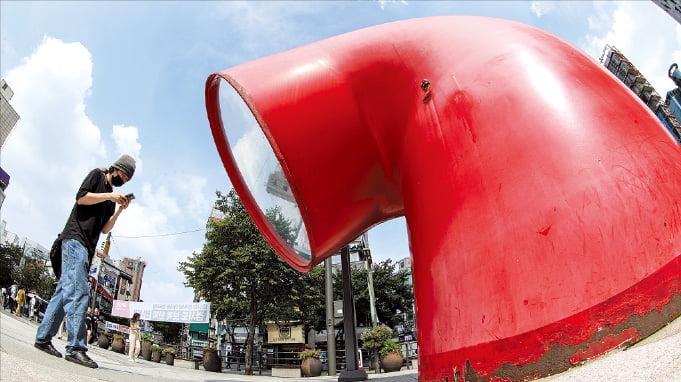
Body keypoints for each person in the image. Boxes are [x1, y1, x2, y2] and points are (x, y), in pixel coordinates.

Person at [34, 155, 136, 369]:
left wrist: (119, 210)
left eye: (128, 179)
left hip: (87, 248)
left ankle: (43, 338)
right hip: (74, 240)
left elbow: (105, 229)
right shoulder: (97, 176)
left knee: (63, 294)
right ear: (116, 169)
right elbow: (81, 198)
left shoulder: (111, 201)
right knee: (80, 292)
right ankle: (76, 348)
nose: (124, 180)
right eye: (123, 175)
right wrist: (109, 195)